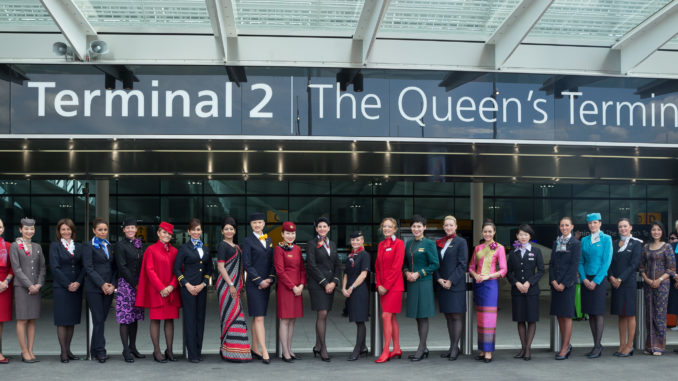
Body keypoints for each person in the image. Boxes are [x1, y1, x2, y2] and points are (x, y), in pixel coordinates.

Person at [135, 221, 181, 363]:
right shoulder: (151, 250)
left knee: (169, 320)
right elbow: (149, 270)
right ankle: (156, 351)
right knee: (155, 320)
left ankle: (170, 350)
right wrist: (162, 288)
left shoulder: (175, 251)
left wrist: (172, 286)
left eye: (169, 233)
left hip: (170, 290)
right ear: (158, 233)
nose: (167, 235)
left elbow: (178, 270)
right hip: (157, 291)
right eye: (164, 232)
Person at [174, 218, 212, 363]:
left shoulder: (206, 248)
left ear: (201, 231)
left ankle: (198, 350)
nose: (196, 232)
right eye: (194, 230)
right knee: (190, 320)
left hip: (201, 288)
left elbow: (209, 269)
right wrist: (186, 284)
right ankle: (192, 353)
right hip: (188, 288)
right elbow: (176, 269)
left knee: (200, 319)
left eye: (199, 230)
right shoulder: (184, 248)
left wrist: (203, 284)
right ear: (189, 231)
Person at [469, 221, 507, 363]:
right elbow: (471, 266)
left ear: (494, 232)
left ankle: (488, 352)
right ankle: (482, 350)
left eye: (490, 231)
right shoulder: (478, 248)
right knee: (480, 318)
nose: (487, 234)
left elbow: (503, 269)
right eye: (485, 231)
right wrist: (475, 275)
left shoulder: (499, 248)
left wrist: (489, 276)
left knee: (489, 319)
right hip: (479, 284)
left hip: (491, 284)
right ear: (482, 232)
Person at [403, 215, 439, 361]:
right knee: (417, 316)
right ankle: (423, 347)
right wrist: (406, 273)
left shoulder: (429, 243)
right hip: (412, 283)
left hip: (424, 282)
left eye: (419, 226)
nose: (416, 229)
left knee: (423, 316)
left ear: (424, 227)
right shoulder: (409, 244)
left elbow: (435, 264)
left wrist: (419, 273)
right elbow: (404, 263)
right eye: (414, 226)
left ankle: (421, 348)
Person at [216, 217, 252, 362]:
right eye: (226, 229)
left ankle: (231, 350)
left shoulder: (237, 247)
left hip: (235, 286)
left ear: (235, 231)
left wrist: (239, 284)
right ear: (222, 231)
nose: (229, 231)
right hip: (226, 286)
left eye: (231, 229)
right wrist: (231, 284)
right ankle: (230, 352)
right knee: (230, 316)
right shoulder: (222, 246)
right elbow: (220, 267)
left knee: (236, 315)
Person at [10, 218, 46, 363]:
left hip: (36, 288)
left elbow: (42, 267)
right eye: (26, 229)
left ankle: (31, 350)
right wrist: (29, 285)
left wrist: (38, 284)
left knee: (32, 319)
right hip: (22, 287)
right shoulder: (14, 246)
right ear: (20, 230)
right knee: (22, 319)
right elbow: (16, 268)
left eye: (32, 229)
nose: (29, 231)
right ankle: (24, 351)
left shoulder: (37, 246)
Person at [305, 216, 340, 362]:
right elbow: (311, 265)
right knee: (323, 313)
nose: (322, 228)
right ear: (316, 229)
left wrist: (334, 282)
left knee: (322, 315)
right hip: (318, 285)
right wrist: (325, 283)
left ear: (329, 228)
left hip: (330, 284)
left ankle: (317, 345)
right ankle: (323, 347)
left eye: (325, 226)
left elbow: (337, 264)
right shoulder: (311, 243)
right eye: (319, 226)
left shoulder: (331, 243)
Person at [506, 224, 544, 361]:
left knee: (531, 319)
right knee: (520, 320)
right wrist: (516, 283)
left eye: (526, 234)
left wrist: (529, 283)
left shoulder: (536, 251)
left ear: (530, 236)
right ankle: (523, 348)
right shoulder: (513, 252)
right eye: (521, 234)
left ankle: (528, 349)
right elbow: (508, 272)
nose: (523, 237)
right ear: (517, 236)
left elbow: (541, 271)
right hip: (517, 291)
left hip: (532, 291)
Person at [241, 212, 275, 364]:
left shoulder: (268, 239)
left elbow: (272, 261)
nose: (257, 225)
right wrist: (259, 280)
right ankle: (264, 350)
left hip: (266, 283)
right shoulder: (247, 241)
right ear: (251, 225)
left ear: (264, 224)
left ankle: (254, 348)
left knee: (257, 316)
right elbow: (247, 264)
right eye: (254, 223)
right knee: (259, 316)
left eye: (260, 222)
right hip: (254, 284)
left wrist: (270, 278)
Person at [49, 218, 84, 363]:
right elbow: (54, 267)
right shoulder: (55, 246)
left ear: (72, 231)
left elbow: (83, 267)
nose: (66, 232)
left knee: (71, 321)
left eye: (68, 229)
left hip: (76, 287)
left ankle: (69, 350)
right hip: (62, 288)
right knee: (62, 321)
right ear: (59, 231)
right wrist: (68, 284)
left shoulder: (79, 246)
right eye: (63, 229)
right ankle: (63, 351)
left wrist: (78, 282)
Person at [82, 218, 116, 363]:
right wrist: (102, 284)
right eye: (100, 230)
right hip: (94, 288)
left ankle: (94, 349)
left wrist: (113, 285)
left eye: (105, 230)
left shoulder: (109, 246)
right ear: (94, 230)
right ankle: (100, 351)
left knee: (101, 320)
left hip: (109, 288)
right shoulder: (88, 246)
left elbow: (114, 268)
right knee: (98, 319)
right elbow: (88, 268)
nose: (103, 232)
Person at [578, 212, 612, 358]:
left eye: (595, 222)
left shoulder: (606, 239)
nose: (592, 225)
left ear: (600, 223)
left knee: (598, 312)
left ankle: (598, 345)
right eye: (590, 223)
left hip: (599, 279)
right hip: (586, 279)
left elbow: (606, 262)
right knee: (590, 313)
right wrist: (584, 279)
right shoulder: (584, 240)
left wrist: (595, 281)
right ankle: (595, 344)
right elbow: (580, 261)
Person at [434, 215, 468, 361]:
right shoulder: (439, 242)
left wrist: (451, 281)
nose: (448, 227)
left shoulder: (461, 242)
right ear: (443, 227)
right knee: (448, 316)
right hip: (442, 284)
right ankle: (452, 346)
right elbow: (435, 263)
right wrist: (439, 279)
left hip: (455, 285)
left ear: (456, 226)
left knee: (456, 315)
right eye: (446, 225)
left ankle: (455, 347)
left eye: (451, 225)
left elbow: (462, 264)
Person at [640, 221, 676, 355]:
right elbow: (641, 267)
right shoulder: (646, 247)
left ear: (662, 232)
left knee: (659, 315)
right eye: (654, 230)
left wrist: (659, 280)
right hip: (648, 284)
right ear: (651, 232)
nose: (656, 232)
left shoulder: (667, 247)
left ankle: (659, 346)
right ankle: (650, 346)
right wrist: (647, 279)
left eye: (658, 230)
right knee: (649, 314)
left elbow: (671, 268)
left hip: (662, 285)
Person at [608, 218, 641, 357]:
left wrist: (620, 278)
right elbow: (608, 262)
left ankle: (629, 345)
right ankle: (621, 344)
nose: (623, 229)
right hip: (615, 283)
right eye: (620, 226)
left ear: (631, 227)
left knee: (629, 314)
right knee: (620, 315)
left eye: (625, 226)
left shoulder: (636, 243)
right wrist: (611, 277)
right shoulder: (614, 243)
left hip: (627, 283)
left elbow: (634, 265)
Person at [114, 217, 146, 363]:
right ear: (123, 230)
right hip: (126, 285)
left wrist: (141, 283)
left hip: (139, 285)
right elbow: (122, 266)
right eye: (128, 228)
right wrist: (134, 283)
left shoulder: (139, 244)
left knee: (134, 318)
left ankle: (133, 347)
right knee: (125, 319)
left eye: (133, 227)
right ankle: (125, 349)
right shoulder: (120, 245)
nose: (131, 230)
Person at [274, 221, 306, 363]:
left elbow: (302, 269)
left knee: (293, 319)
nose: (290, 235)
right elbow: (280, 271)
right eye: (288, 233)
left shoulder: (298, 249)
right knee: (285, 319)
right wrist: (293, 287)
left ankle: (290, 348)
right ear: (282, 234)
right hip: (286, 289)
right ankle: (284, 351)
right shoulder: (278, 249)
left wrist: (301, 285)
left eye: (293, 233)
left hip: (297, 288)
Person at [374, 217, 405, 363]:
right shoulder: (381, 245)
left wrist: (386, 286)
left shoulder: (399, 244)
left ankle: (386, 350)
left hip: (394, 287)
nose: (386, 229)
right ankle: (397, 348)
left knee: (386, 316)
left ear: (395, 229)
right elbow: (378, 267)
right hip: (383, 287)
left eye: (389, 226)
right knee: (391, 317)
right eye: (384, 226)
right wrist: (379, 284)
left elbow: (396, 267)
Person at [550, 216, 580, 360]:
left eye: (567, 225)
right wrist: (554, 281)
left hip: (567, 285)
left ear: (572, 227)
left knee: (567, 315)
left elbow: (574, 266)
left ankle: (565, 347)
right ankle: (565, 344)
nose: (564, 228)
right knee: (559, 315)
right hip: (556, 284)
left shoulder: (575, 243)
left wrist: (563, 283)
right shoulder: (557, 242)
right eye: (562, 225)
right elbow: (551, 263)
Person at [342, 231, 370, 361]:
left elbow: (363, 275)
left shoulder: (364, 255)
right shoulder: (350, 256)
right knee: (357, 319)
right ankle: (363, 347)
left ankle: (357, 349)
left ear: (362, 240)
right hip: (351, 291)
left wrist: (351, 287)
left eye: (357, 240)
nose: (355, 242)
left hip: (359, 290)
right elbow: (346, 274)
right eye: (353, 240)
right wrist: (343, 288)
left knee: (360, 321)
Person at [0, 218, 13, 364]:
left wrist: (6, 282)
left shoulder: (9, 246)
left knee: (0, 322)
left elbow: (12, 267)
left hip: (4, 286)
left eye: (0, 227)